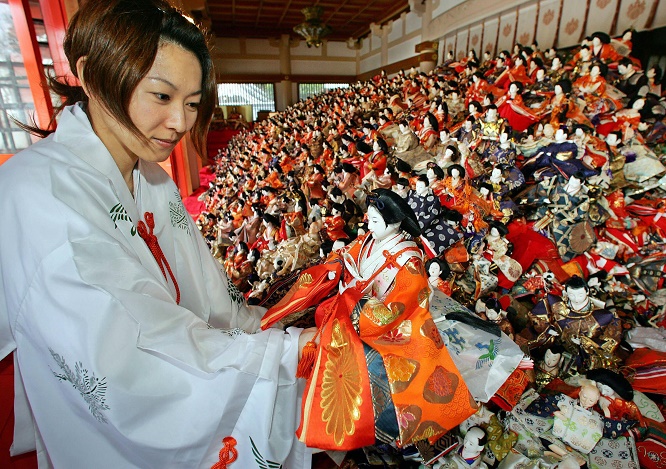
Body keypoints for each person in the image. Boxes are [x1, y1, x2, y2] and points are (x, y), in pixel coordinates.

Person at [0, 1, 316, 467]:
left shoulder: (152, 177)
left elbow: (209, 299)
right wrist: (293, 354)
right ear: (91, 75)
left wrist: (274, 325)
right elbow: (127, 354)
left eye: (191, 103)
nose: (181, 123)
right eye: (162, 97)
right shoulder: (38, 191)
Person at [261, 188, 477, 450]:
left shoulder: (410, 261)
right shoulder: (367, 240)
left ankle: (367, 427)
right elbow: (345, 256)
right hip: (350, 309)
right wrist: (337, 266)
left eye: (375, 221)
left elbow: (400, 309)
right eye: (369, 219)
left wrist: (354, 300)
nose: (369, 225)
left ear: (395, 223)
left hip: (385, 324)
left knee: (358, 368)